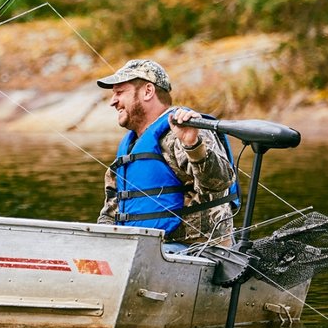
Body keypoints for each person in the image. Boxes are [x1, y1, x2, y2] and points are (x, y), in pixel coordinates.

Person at [96, 59, 239, 253]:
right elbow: (111, 211)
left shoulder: (185, 130)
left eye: (119, 92)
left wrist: (192, 144)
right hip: (143, 252)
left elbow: (219, 183)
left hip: (198, 251)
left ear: (148, 91)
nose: (113, 101)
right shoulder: (130, 146)